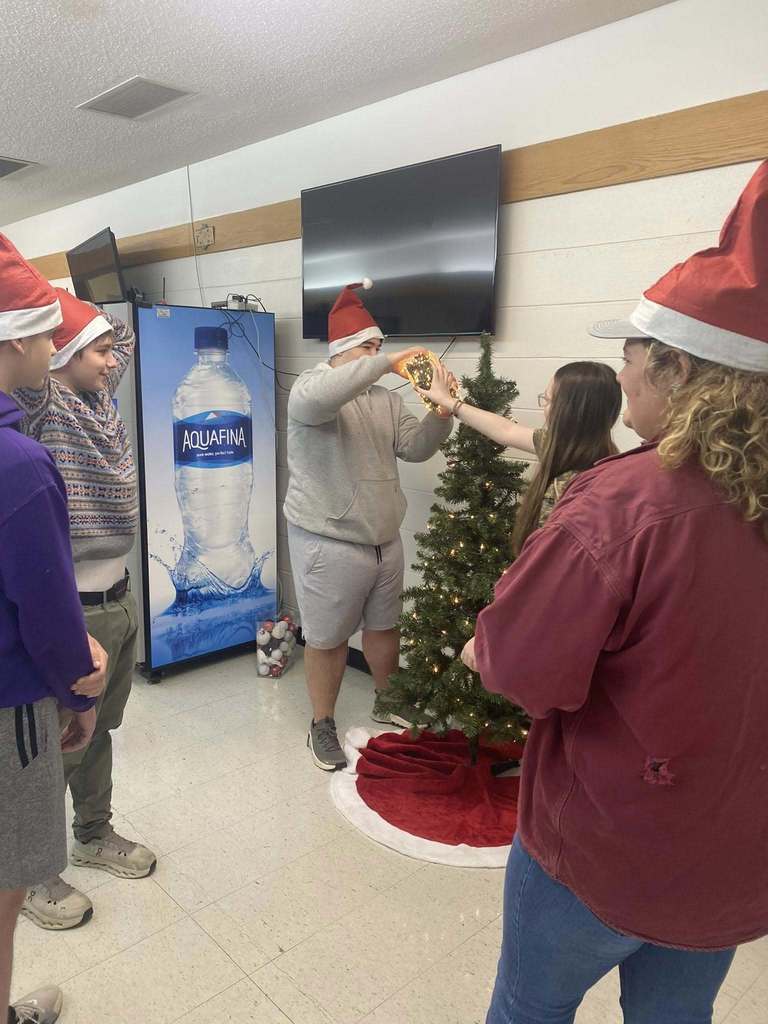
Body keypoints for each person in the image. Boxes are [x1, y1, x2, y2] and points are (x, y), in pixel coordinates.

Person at [462, 161, 768, 1023]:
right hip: (737, 853)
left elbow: (521, 672)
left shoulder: (626, 505)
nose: (621, 375)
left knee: (530, 1009)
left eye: (627, 355)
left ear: (676, 368)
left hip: (610, 848)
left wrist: (485, 643)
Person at [13, 289, 155, 932]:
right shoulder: (45, 402)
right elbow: (47, 362)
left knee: (100, 731)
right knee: (60, 741)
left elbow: (119, 339)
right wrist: (50, 310)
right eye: (93, 350)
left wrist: (92, 318)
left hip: (119, 601)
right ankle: (36, 871)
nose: (108, 360)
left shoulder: (102, 397)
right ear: (58, 353)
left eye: (106, 350)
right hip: (75, 605)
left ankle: (93, 833)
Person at [0, 234, 107, 1024]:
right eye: (43, 331)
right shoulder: (18, 464)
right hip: (10, 708)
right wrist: (81, 687)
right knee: (6, 881)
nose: (53, 344)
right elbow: (45, 608)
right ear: (12, 341)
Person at [285, 280, 453, 770]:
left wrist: (441, 413)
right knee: (327, 638)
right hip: (328, 539)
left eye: (379, 347)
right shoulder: (310, 387)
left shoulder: (385, 400)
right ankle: (321, 724)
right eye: (369, 346)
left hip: (383, 537)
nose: (379, 354)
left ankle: (389, 698)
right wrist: (385, 362)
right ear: (341, 349)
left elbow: (416, 447)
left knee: (384, 626)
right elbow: (319, 401)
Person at [417, 360, 622, 552]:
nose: (545, 408)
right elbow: (505, 431)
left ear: (570, 411)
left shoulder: (577, 485)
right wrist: (450, 402)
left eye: (548, 400)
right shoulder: (566, 446)